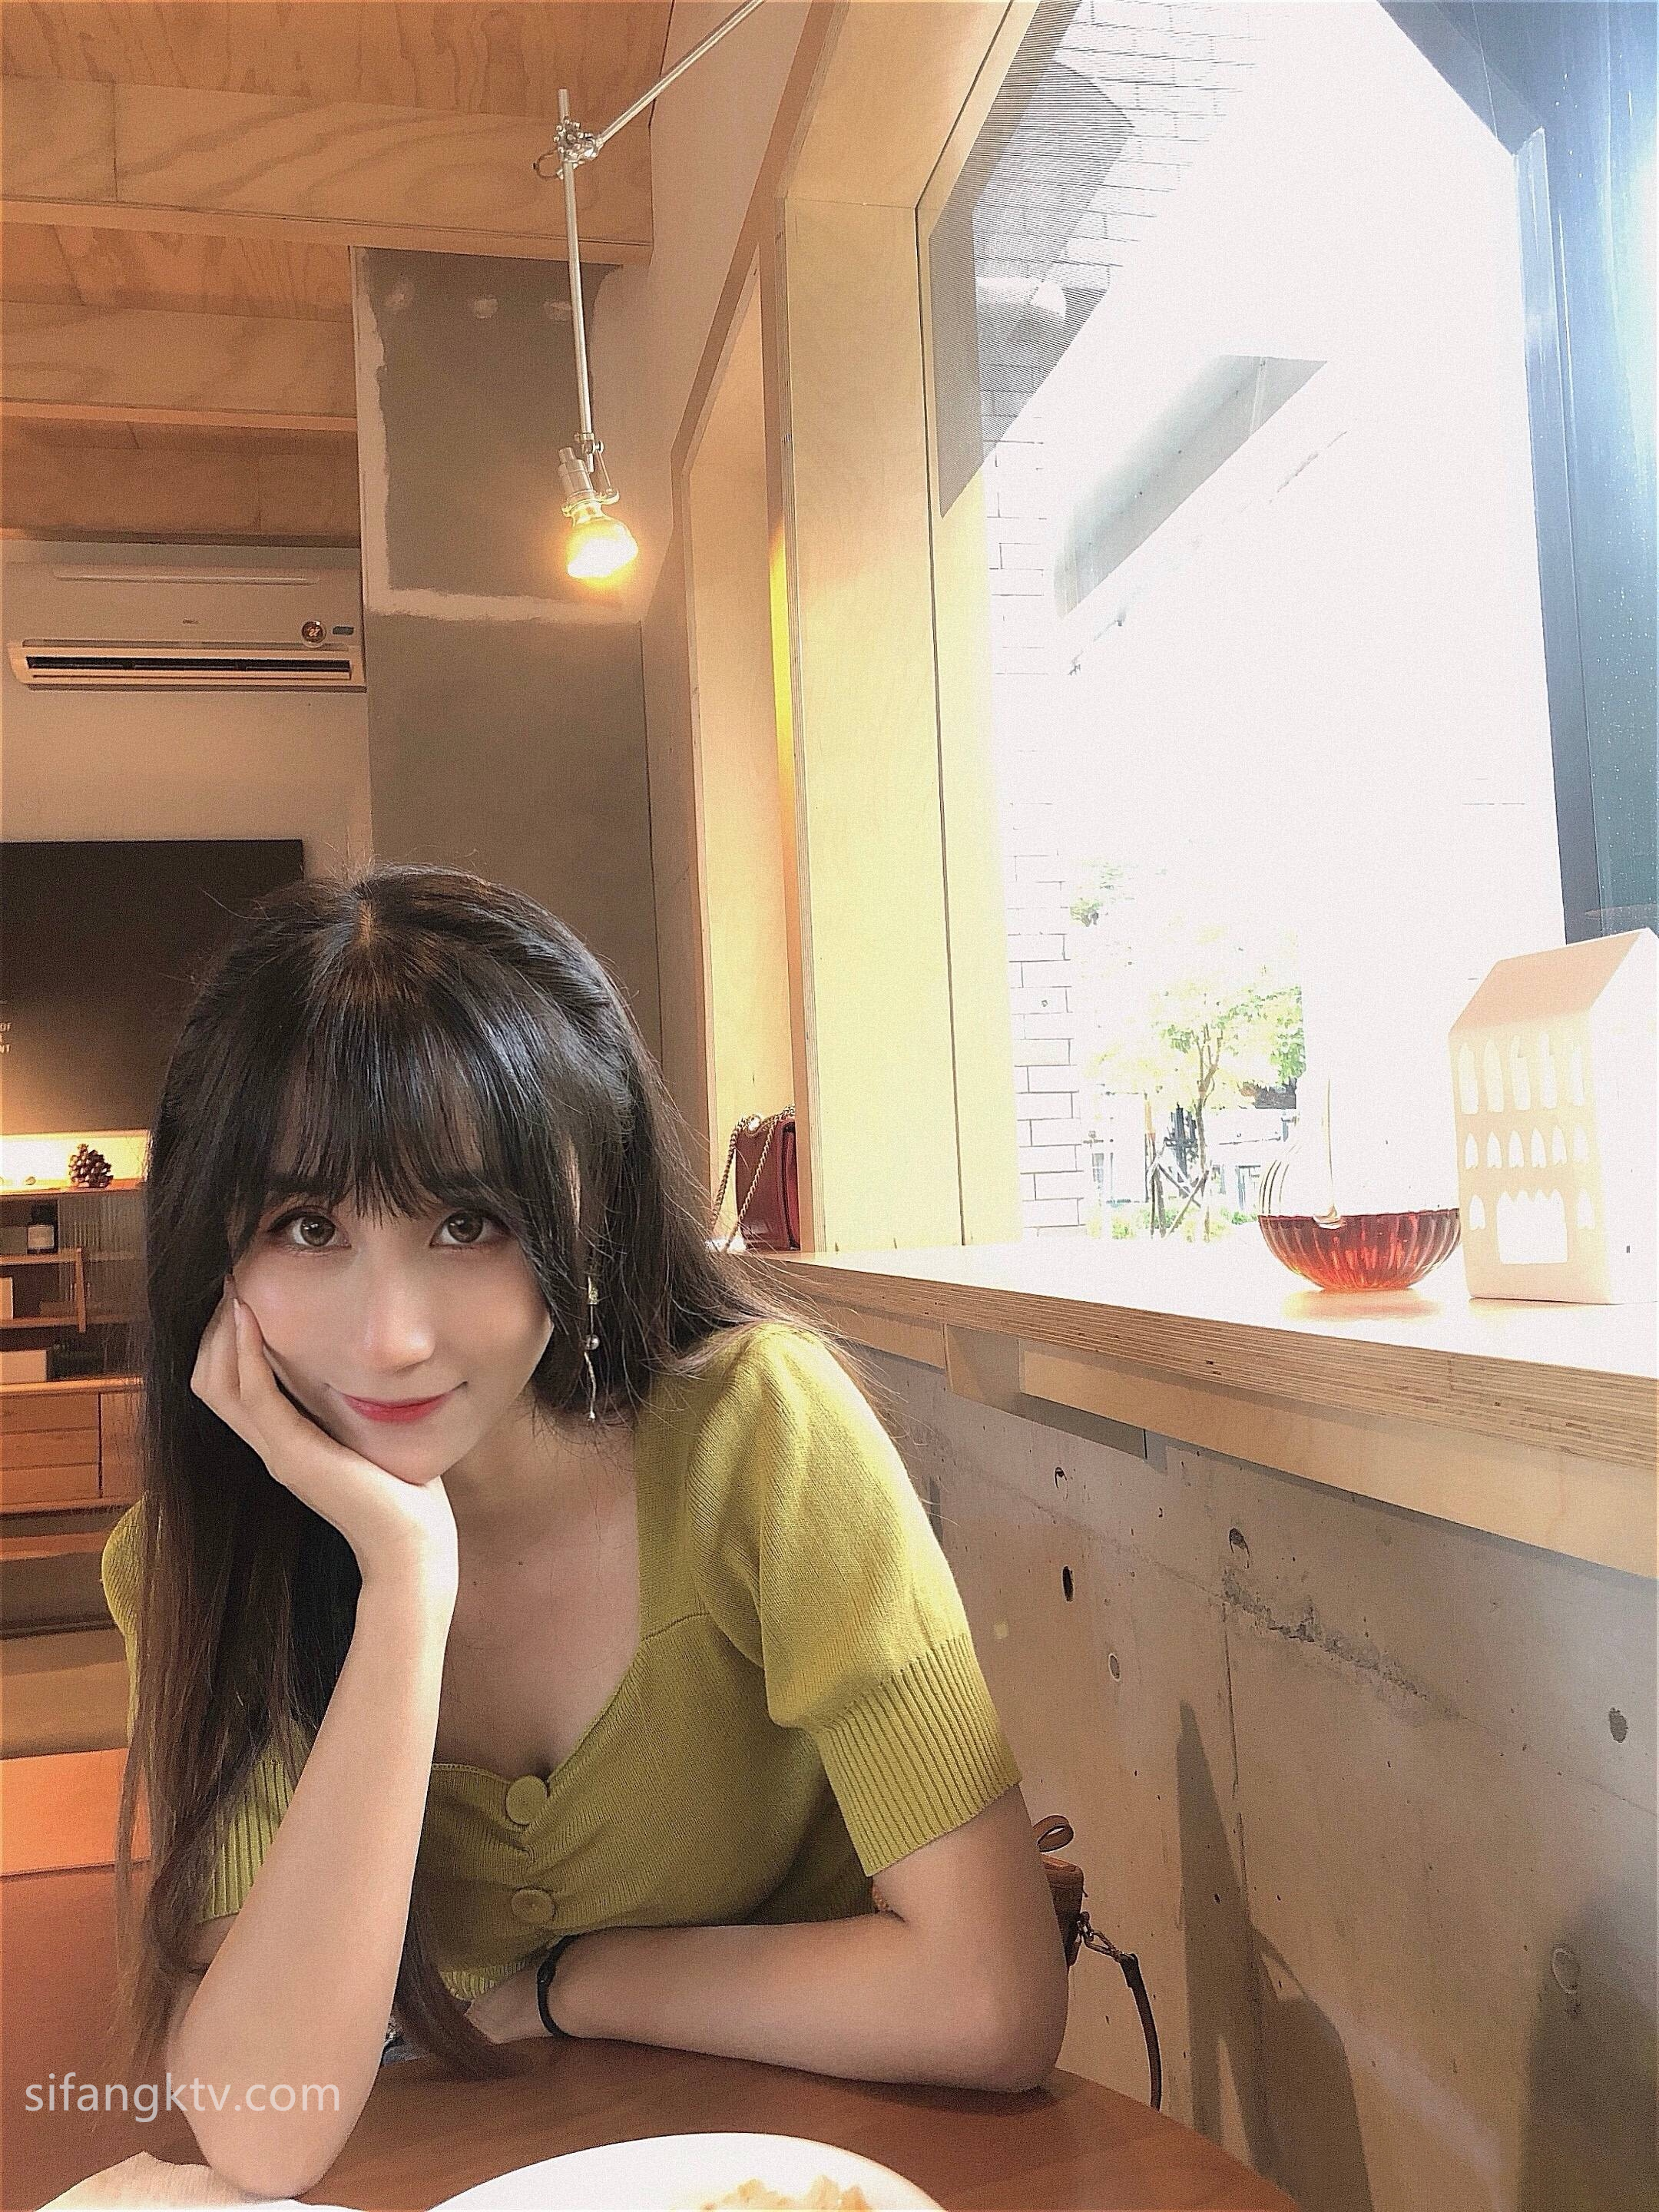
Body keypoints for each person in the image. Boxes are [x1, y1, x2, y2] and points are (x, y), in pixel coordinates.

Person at [101, 864, 1068, 2200]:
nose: (393, 1337)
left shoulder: (756, 1439)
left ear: (588, 1214)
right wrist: (404, 1583)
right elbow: (263, 2129)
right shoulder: (198, 1559)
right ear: (213, 1247)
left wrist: (574, 1983)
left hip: (815, 2165)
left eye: (468, 1223)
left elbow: (991, 2001)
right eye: (307, 1226)